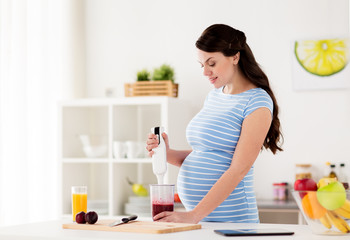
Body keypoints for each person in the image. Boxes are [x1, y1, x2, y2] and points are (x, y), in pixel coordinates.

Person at [146, 24, 283, 224]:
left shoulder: (257, 102)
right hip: (203, 220)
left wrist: (193, 215)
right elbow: (206, 154)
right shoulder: (214, 96)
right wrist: (166, 153)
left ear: (235, 57)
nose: (205, 72)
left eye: (212, 63)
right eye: (202, 65)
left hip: (233, 223)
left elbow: (239, 168)